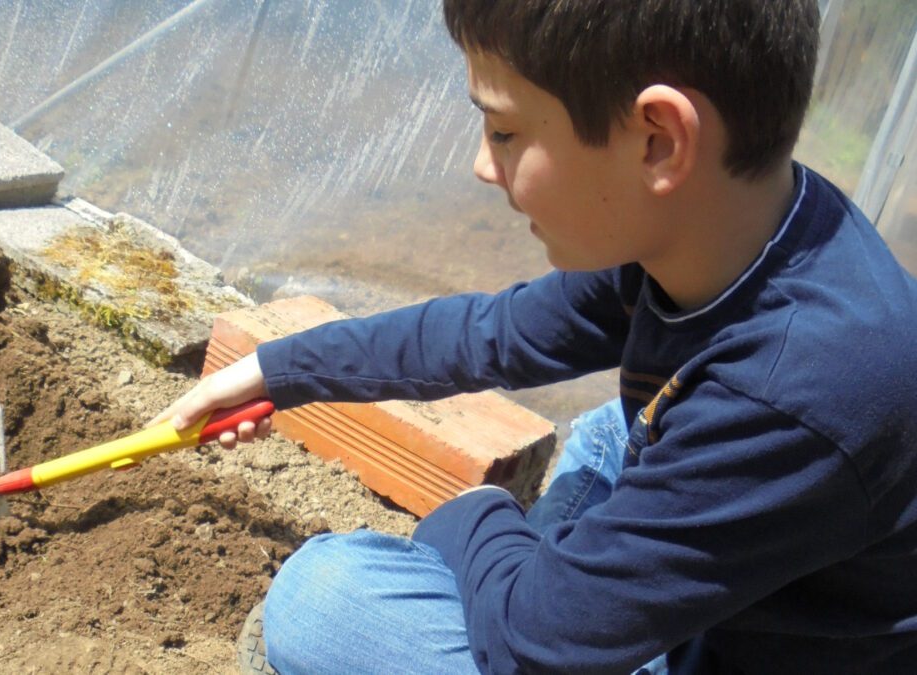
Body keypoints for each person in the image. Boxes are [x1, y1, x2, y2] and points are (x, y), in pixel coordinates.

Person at [153, 0, 917, 672]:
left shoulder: (793, 388)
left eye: (506, 129)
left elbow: (531, 647)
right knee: (603, 435)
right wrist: (279, 369)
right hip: (742, 567)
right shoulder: (731, 225)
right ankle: (548, 575)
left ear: (658, 139)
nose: (482, 163)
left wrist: (475, 514)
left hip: (735, 650)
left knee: (324, 601)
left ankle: (539, 573)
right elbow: (495, 334)